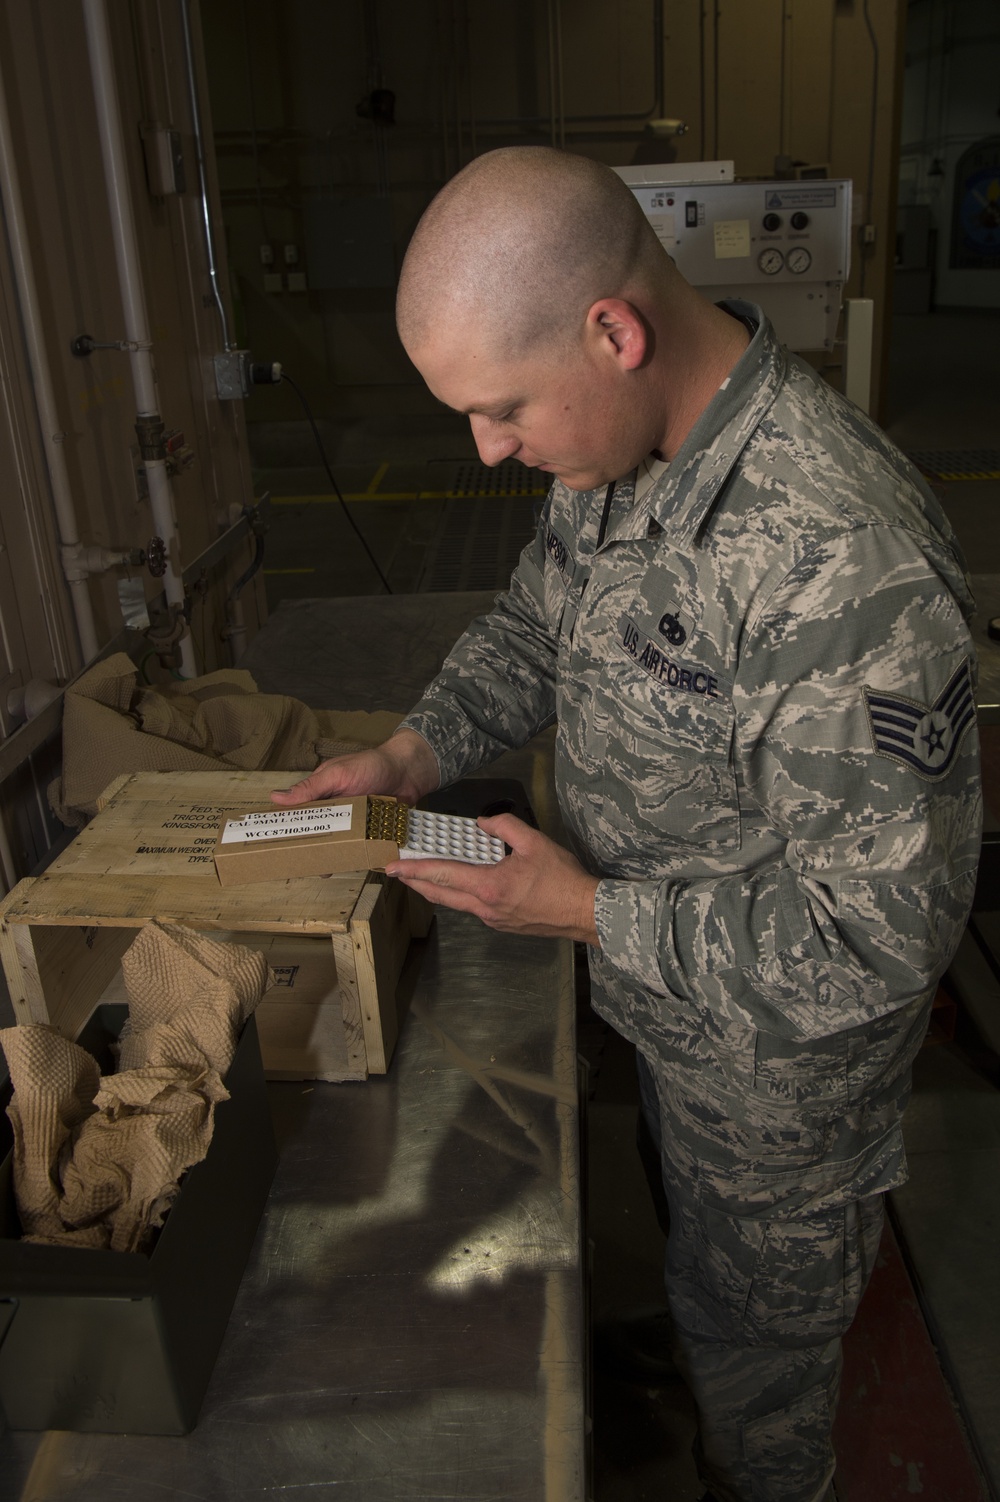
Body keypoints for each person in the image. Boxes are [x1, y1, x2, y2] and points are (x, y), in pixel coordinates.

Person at [273, 147, 982, 1502]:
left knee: (763, 1389)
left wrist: (586, 911)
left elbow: (882, 938)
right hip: (666, 1015)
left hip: (779, 1094)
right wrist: (411, 750)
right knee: (698, 1259)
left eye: (502, 408)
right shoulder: (608, 453)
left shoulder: (839, 560)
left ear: (613, 330)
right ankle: (705, 1317)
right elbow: (538, 629)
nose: (486, 448)